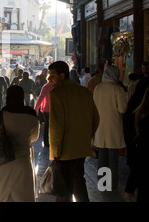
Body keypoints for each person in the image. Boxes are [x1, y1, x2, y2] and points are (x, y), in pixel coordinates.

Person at [47, 61, 99, 202]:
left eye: (52, 75)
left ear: (62, 75)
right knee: (78, 182)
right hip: (81, 148)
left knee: (64, 188)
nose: (49, 79)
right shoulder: (85, 92)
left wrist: (55, 152)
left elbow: (56, 127)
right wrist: (86, 137)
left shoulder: (57, 94)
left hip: (64, 150)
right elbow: (96, 119)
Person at [0, 85, 40, 202]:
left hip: (2, 162)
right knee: (23, 196)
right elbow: (34, 137)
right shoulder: (31, 117)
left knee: (1, 196)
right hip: (23, 163)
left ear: (7, 97)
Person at [92, 65, 128, 190]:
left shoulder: (98, 88)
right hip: (113, 126)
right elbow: (123, 108)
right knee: (113, 157)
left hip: (100, 126)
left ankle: (103, 183)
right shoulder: (118, 89)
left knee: (102, 155)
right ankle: (112, 183)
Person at [34, 81, 54, 148]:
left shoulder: (46, 86)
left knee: (47, 125)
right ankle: (53, 141)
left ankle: (46, 142)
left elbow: (40, 98)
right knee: (54, 126)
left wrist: (35, 109)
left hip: (46, 109)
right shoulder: (58, 86)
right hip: (55, 109)